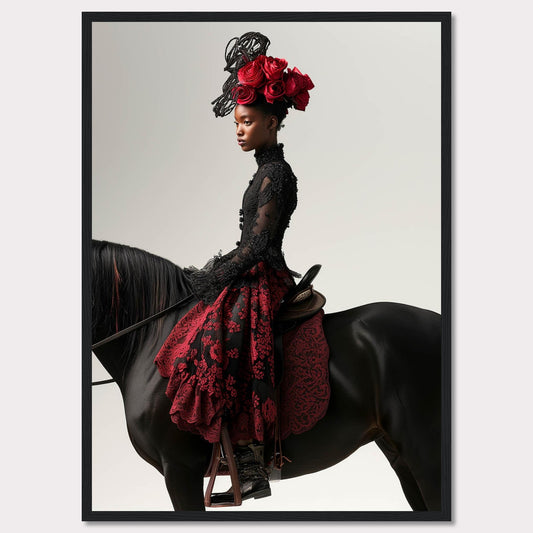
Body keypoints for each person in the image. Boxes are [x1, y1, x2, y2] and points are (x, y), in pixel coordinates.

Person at [154, 31, 315, 503]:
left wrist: (211, 275)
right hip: (251, 267)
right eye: (237, 123)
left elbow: (260, 246)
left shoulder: (277, 175)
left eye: (247, 122)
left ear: (271, 121)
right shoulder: (264, 170)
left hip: (263, 275)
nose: (239, 130)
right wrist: (216, 271)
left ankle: (249, 459)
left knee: (229, 335)